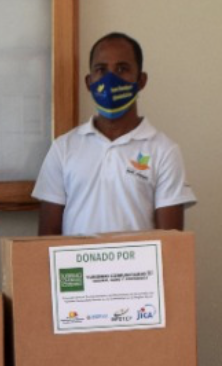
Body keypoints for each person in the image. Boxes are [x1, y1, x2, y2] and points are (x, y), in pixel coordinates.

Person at [34, 32, 196, 235]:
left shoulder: (164, 150)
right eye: (101, 70)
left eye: (122, 69)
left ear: (141, 80)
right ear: (89, 82)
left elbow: (170, 241)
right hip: (77, 259)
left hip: (138, 259)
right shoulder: (63, 148)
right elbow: (46, 239)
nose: (111, 79)